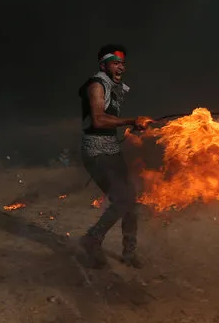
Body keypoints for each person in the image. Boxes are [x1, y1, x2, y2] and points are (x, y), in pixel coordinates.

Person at [77, 44, 152, 269]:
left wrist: (133, 127)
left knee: (131, 201)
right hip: (96, 151)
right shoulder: (96, 85)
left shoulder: (113, 86)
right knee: (124, 199)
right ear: (103, 64)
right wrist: (130, 120)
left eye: (122, 63)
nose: (121, 67)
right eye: (115, 62)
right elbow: (98, 120)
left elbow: (110, 122)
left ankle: (129, 252)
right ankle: (92, 239)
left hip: (111, 149)